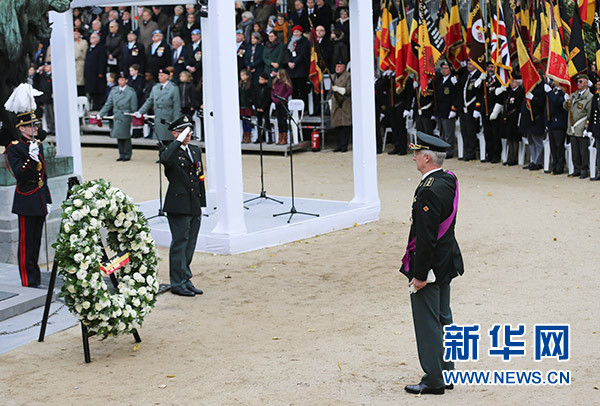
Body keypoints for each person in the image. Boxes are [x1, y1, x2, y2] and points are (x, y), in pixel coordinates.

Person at [400, 132, 464, 396]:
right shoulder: (448, 179)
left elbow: (426, 237)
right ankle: (447, 372)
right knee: (443, 317)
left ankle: (434, 379)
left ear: (427, 157)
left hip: (431, 266)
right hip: (446, 260)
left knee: (428, 324)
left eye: (417, 153)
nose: (413, 157)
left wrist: (420, 274)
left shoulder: (428, 190)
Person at [159, 115, 206, 297]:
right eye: (183, 132)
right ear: (175, 134)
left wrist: (202, 202)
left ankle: (186, 279)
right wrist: (177, 141)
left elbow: (200, 177)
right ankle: (177, 283)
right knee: (180, 243)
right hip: (178, 204)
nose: (188, 135)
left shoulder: (194, 150)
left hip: (194, 202)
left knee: (190, 244)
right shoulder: (170, 151)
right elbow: (165, 159)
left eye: (189, 131)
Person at [5, 111, 52, 288]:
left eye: (36, 125)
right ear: (22, 128)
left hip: (38, 198)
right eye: (30, 126)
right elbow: (20, 175)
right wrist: (31, 159)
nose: (35, 128)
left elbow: (43, 176)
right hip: (26, 199)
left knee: (36, 242)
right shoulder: (15, 148)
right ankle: (28, 281)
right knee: (27, 245)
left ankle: (36, 279)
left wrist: (48, 199)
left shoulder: (36, 145)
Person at [98, 72, 138, 161]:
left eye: (122, 80)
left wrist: (133, 115)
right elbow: (108, 104)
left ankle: (127, 153)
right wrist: (101, 113)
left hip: (125, 115)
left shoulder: (131, 92)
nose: (121, 81)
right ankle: (121, 153)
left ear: (126, 81)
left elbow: (133, 107)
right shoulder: (114, 90)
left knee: (125, 135)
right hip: (117, 115)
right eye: (119, 79)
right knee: (118, 135)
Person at [137, 68, 181, 142]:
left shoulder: (173, 88)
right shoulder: (155, 87)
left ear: (167, 76)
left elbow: (176, 105)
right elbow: (149, 101)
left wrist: (176, 121)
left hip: (167, 117)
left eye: (162, 75)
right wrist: (140, 112)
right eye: (159, 75)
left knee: (168, 140)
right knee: (159, 140)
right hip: (158, 116)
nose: (159, 77)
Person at [563, 74, 593, 178]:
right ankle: (577, 169)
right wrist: (566, 101)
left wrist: (587, 128)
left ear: (586, 83)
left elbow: (589, 115)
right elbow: (566, 108)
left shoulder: (589, 97)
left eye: (580, 81)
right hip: (572, 127)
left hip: (581, 128)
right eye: (577, 82)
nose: (578, 84)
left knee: (583, 151)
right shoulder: (574, 95)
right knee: (575, 150)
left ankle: (584, 170)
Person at [455, 59, 483, 161]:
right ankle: (467, 151)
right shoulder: (466, 75)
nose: (468, 66)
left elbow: (479, 94)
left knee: (471, 132)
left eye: (470, 64)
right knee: (464, 131)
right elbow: (461, 90)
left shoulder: (479, 76)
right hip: (463, 108)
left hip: (472, 108)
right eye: (468, 64)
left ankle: (471, 153)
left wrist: (477, 108)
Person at [520, 81, 545, 171]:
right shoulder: (529, 88)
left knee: (538, 142)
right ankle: (533, 161)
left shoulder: (541, 88)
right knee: (531, 142)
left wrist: (533, 98)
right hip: (528, 120)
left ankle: (538, 162)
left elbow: (542, 103)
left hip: (537, 119)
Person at [434, 63, 458, 158]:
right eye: (442, 68)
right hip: (439, 110)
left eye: (446, 68)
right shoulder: (439, 79)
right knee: (441, 132)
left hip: (448, 110)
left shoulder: (453, 80)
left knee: (448, 133)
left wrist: (454, 109)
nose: (443, 70)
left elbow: (455, 96)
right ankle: (442, 150)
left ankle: (449, 151)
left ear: (450, 69)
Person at [481, 62, 503, 163]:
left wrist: (495, 111)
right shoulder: (485, 79)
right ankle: (489, 153)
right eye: (489, 67)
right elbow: (479, 93)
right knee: (487, 134)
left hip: (494, 111)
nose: (490, 69)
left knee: (495, 134)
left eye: (492, 67)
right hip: (485, 111)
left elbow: (501, 98)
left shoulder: (499, 80)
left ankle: (496, 155)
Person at [545, 81, 568, 175]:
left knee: (559, 146)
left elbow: (558, 102)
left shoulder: (564, 92)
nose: (554, 82)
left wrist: (549, 92)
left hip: (559, 123)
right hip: (551, 123)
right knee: (553, 147)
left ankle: (560, 166)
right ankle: (554, 165)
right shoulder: (553, 91)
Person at [285, 25, 311, 106]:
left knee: (302, 89)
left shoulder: (305, 42)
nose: (295, 33)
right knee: (294, 90)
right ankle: (295, 107)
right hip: (291, 69)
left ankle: (304, 107)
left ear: (301, 32)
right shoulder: (290, 41)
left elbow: (303, 54)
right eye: (294, 32)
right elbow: (287, 52)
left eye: (297, 32)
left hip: (300, 68)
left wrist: (295, 63)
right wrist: (289, 62)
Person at [330, 60, 352, 152]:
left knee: (345, 125)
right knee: (337, 125)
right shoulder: (333, 77)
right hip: (336, 102)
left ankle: (344, 145)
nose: (337, 68)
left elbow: (349, 89)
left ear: (344, 67)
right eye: (336, 66)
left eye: (339, 66)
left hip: (344, 102)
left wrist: (339, 89)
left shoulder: (348, 76)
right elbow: (331, 91)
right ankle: (338, 145)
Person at [502, 77, 524, 166]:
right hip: (508, 117)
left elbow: (518, 105)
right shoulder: (510, 91)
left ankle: (514, 158)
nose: (511, 83)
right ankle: (509, 157)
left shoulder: (520, 92)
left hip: (515, 117)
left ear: (518, 83)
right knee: (509, 137)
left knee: (514, 138)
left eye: (513, 82)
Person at [84, 32, 107, 110]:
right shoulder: (89, 48)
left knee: (98, 90)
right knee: (91, 90)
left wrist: (101, 71)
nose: (91, 39)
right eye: (91, 37)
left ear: (98, 39)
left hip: (97, 73)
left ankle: (99, 106)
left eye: (93, 37)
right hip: (90, 73)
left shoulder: (101, 48)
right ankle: (94, 105)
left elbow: (102, 60)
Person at [271, 68, 293, 145]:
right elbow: (272, 91)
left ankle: (284, 137)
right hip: (276, 103)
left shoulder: (285, 83)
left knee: (283, 120)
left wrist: (283, 98)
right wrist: (274, 98)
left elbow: (289, 91)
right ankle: (280, 137)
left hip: (283, 103)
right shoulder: (275, 82)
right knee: (279, 120)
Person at [253, 72, 273, 143]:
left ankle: (270, 138)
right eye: (259, 79)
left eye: (262, 79)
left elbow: (268, 99)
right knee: (259, 122)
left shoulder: (268, 88)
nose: (260, 81)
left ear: (266, 80)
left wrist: (263, 107)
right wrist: (257, 107)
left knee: (267, 122)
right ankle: (259, 137)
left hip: (265, 108)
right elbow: (254, 97)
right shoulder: (256, 87)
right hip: (258, 107)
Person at [587, 78, 600, 180]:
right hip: (597, 129)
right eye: (598, 83)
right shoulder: (596, 97)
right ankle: (599, 172)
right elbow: (592, 113)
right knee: (599, 152)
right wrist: (589, 129)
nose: (598, 84)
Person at [239, 69, 254, 143]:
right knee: (243, 122)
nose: (241, 77)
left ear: (247, 76)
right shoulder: (240, 84)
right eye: (241, 75)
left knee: (248, 121)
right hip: (242, 105)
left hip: (248, 105)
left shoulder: (250, 85)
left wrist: (250, 102)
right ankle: (245, 136)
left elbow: (252, 95)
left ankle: (248, 136)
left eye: (243, 75)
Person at [73, 29, 89, 97]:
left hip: (80, 63)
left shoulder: (83, 42)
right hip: (73, 63)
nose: (74, 35)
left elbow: (85, 53)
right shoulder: (71, 42)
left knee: (80, 82)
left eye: (76, 33)